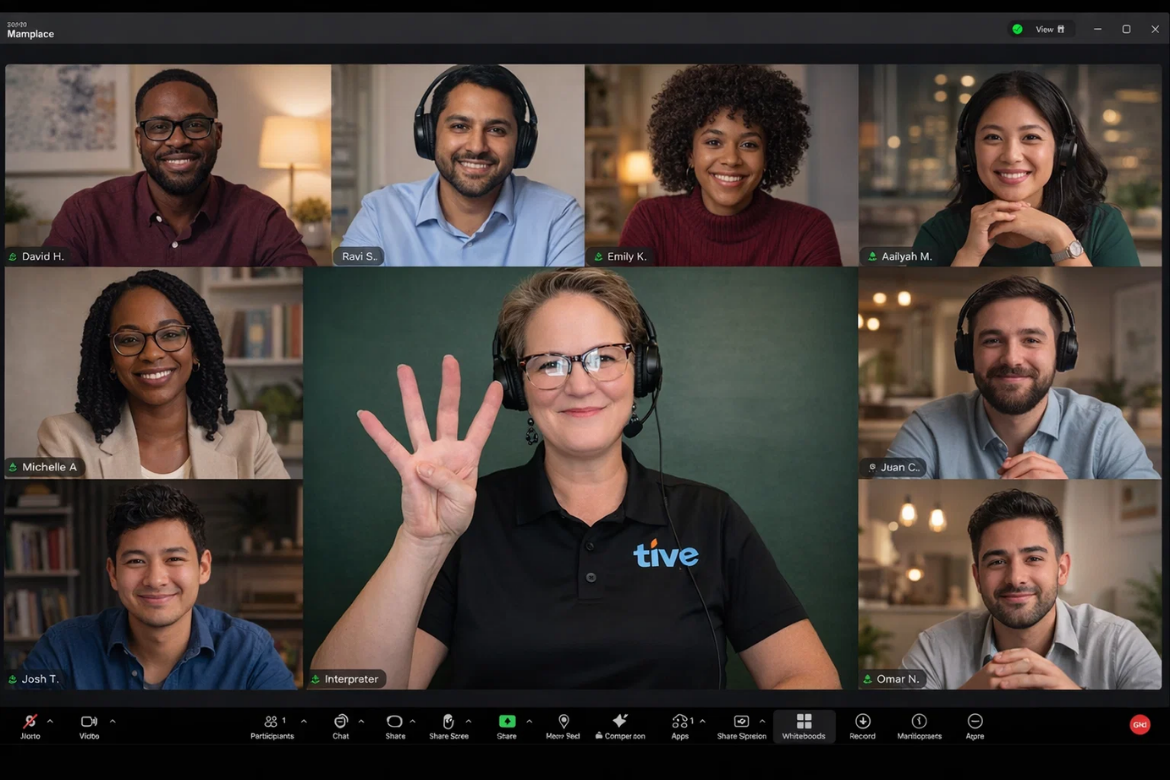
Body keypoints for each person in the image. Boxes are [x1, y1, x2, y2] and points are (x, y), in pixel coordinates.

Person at [313, 267, 840, 689]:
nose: (581, 385)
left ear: (642, 371)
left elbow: (809, 677)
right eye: (550, 364)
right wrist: (420, 542)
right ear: (518, 385)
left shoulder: (710, 516)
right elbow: (341, 698)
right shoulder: (467, 518)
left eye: (603, 358)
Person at [16, 485, 296, 690]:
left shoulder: (250, 652)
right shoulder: (62, 648)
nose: (156, 579)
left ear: (203, 567)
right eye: (136, 560)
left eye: (174, 558)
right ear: (113, 573)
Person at [885, 276, 1159, 479]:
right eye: (992, 340)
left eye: (1031, 339)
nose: (1012, 358)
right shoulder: (928, 428)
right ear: (968, 354)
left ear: (1062, 352)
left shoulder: (1104, 426)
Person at [44, 69, 315, 267]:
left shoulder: (261, 219)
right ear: (140, 139)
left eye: (195, 124)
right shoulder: (85, 214)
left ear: (217, 135)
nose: (178, 140)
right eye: (159, 127)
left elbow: (312, 294)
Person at [37, 270, 289, 479]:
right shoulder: (65, 441)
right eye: (129, 339)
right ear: (110, 359)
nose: (152, 353)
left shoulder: (249, 435)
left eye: (170, 335)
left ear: (196, 350)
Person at [900, 489, 1161, 690]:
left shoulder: (1119, 643)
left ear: (1062, 569)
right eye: (997, 562)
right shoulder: (935, 648)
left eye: (1033, 558)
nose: (1016, 578)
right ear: (977, 577)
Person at [340, 64, 584, 267]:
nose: (477, 147)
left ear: (521, 143)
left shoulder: (557, 216)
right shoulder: (380, 213)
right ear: (429, 134)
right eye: (459, 126)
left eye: (496, 130)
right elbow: (349, 302)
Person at [617, 64, 841, 267]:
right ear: (690, 155)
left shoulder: (809, 229)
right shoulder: (650, 220)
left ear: (768, 156)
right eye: (713, 142)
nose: (731, 159)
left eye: (749, 144)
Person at [913, 71, 1140, 267]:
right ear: (969, 152)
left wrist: (1059, 237)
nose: (1011, 156)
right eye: (993, 137)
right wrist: (970, 254)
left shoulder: (1104, 226)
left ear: (1062, 150)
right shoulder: (938, 233)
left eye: (1031, 137)